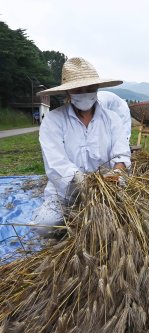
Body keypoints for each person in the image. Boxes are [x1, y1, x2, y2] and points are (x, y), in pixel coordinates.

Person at [31, 57, 131, 237]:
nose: (85, 93)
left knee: (125, 223)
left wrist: (116, 172)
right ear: (68, 92)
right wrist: (80, 181)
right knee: (45, 225)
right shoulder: (54, 120)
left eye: (90, 88)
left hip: (106, 192)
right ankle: (70, 227)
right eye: (79, 89)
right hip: (65, 194)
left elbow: (122, 154)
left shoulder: (112, 119)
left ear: (97, 88)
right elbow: (55, 162)